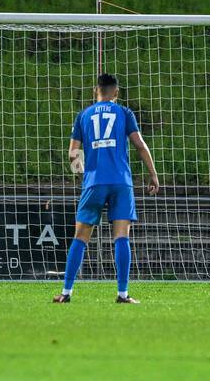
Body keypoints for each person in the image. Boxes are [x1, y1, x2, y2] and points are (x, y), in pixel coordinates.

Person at [55, 73, 160, 304]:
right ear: (117, 93)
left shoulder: (83, 115)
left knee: (80, 237)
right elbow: (140, 145)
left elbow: (73, 153)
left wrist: (81, 172)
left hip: (94, 182)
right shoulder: (124, 113)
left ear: (96, 91)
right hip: (121, 182)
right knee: (122, 236)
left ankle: (66, 292)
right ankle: (123, 294)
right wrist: (153, 174)